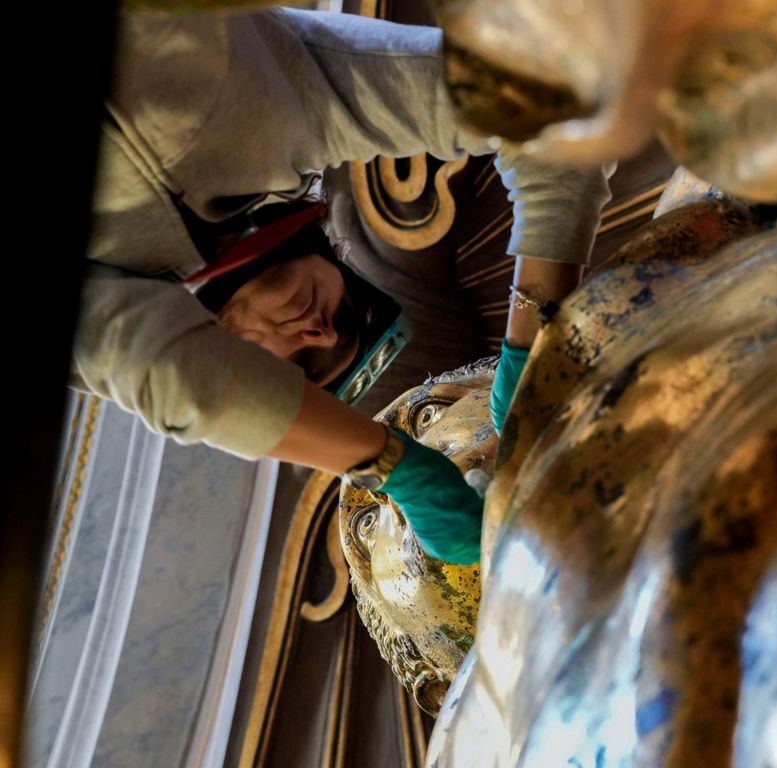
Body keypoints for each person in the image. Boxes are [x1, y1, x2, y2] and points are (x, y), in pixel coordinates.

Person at [73, 8, 611, 563]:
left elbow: (176, 378)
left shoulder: (110, 299)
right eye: (345, 324)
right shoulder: (299, 104)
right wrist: (532, 341)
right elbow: (544, 110)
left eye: (299, 363)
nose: (319, 328)